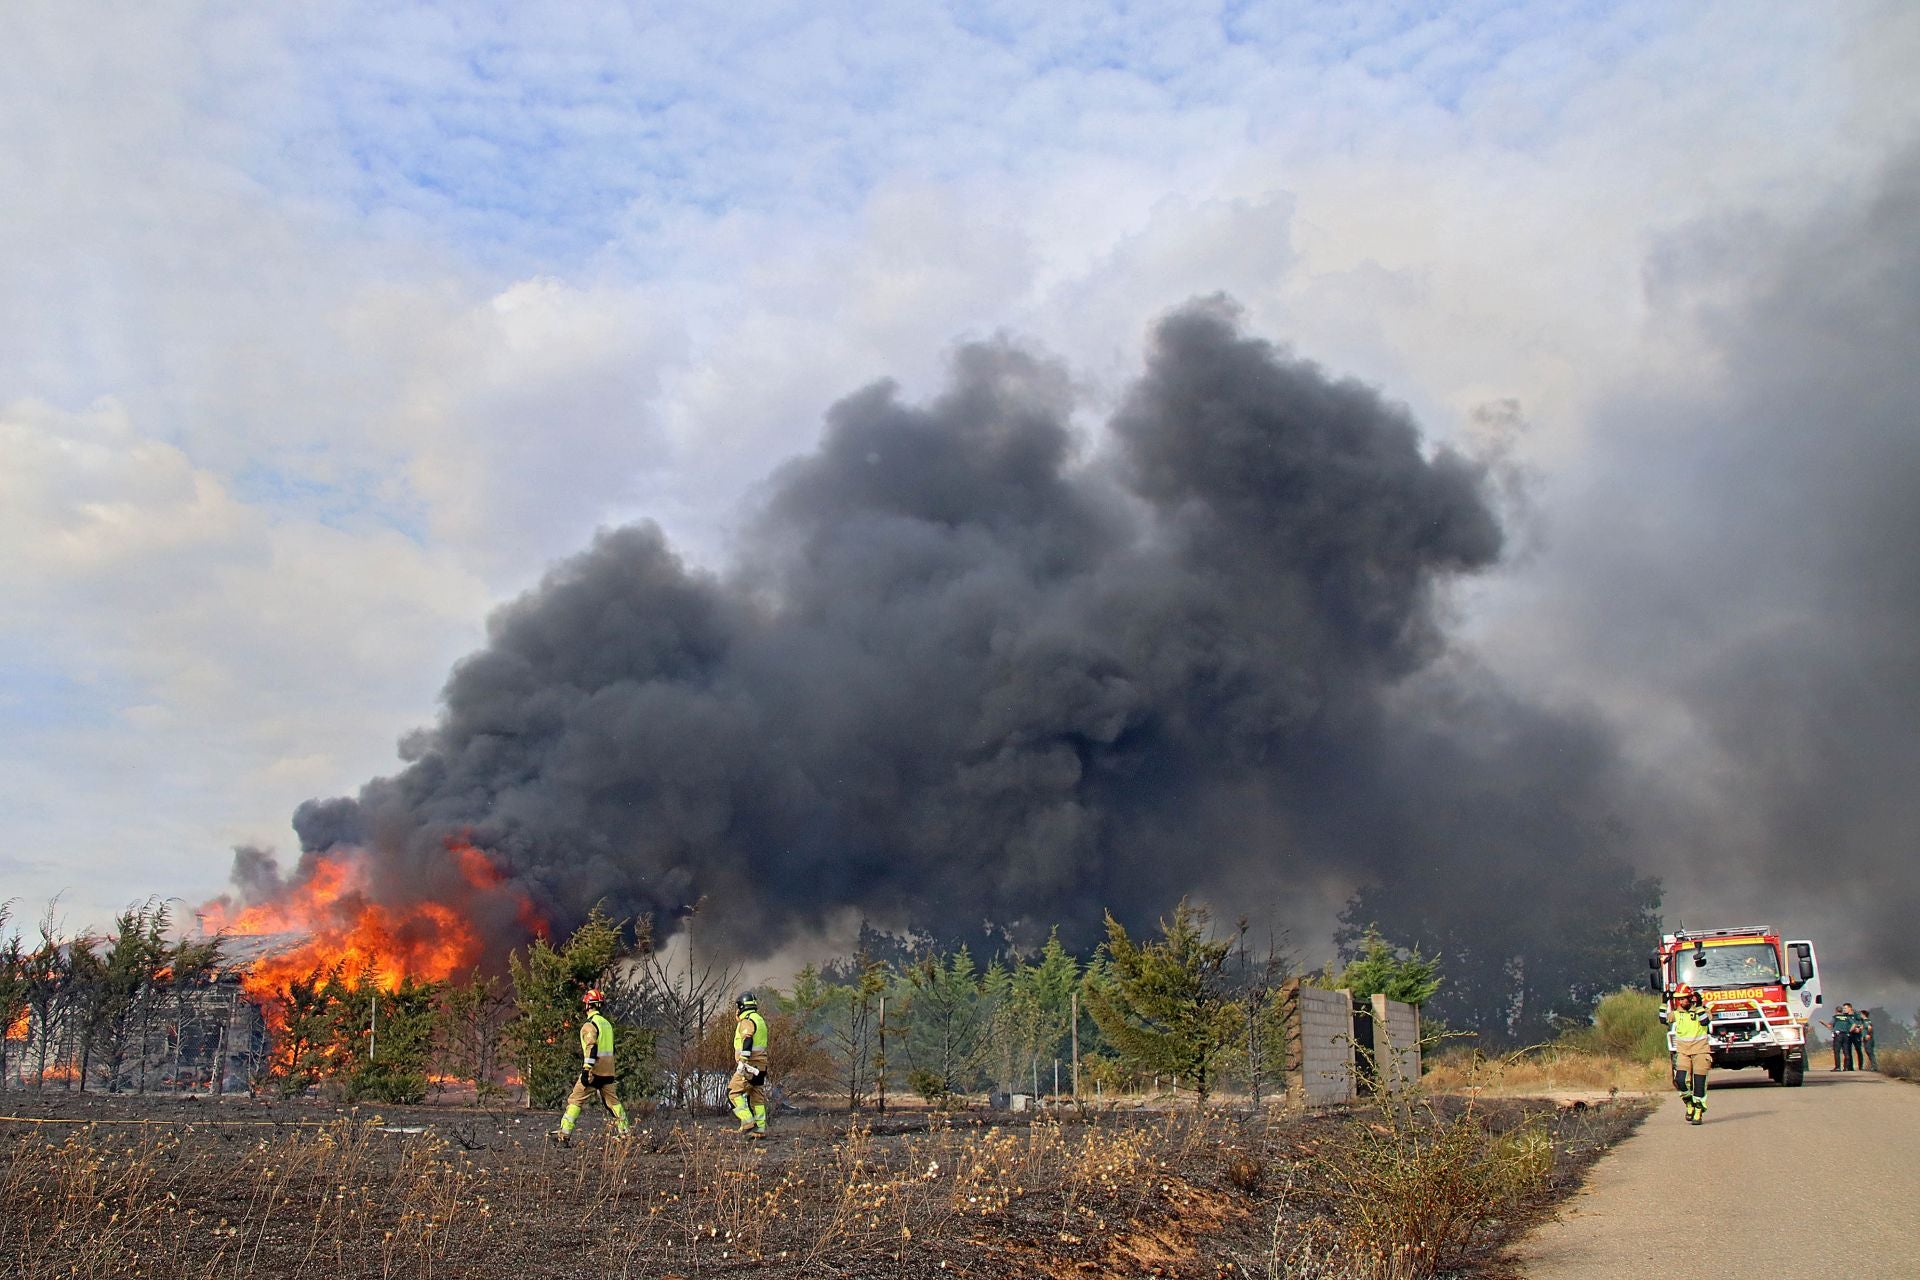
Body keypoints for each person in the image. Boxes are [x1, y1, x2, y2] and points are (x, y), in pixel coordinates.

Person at [551, 988, 632, 1146]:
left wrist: (586, 1069)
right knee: (613, 1103)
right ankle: (625, 1135)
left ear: (588, 1005)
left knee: (575, 1099)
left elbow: (591, 1047)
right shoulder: (606, 1024)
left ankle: (564, 1136)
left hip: (593, 1072)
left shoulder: (589, 1025)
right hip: (608, 1071)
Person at [728, 991, 771, 1139]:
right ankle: (759, 1129)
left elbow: (748, 1040)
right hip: (761, 1066)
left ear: (741, 1006)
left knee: (733, 1093)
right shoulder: (759, 1019)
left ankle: (747, 1122)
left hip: (749, 1066)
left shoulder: (747, 1020)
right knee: (756, 1097)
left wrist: (743, 1062)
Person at [1670, 985, 1712, 1125]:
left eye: (1683, 999)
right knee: (1680, 1080)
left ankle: (1698, 1111)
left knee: (1699, 1083)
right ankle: (1689, 1104)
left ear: (1690, 998)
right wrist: (1664, 1003)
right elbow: (1663, 1019)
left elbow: (1705, 1021)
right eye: (1678, 1000)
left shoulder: (1702, 1011)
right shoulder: (1677, 1013)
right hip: (1683, 1052)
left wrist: (1699, 1006)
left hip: (1700, 1051)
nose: (1681, 1002)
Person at [1823, 1003, 1857, 1070]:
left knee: (1837, 1051)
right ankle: (1846, 1067)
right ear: (1841, 1011)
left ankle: (1838, 1067)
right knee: (1846, 1051)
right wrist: (1849, 1031)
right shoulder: (1846, 1017)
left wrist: (1822, 1023)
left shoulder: (1835, 1017)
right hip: (1846, 1035)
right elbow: (1854, 1024)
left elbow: (1829, 1026)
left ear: (1836, 1011)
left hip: (1838, 1036)